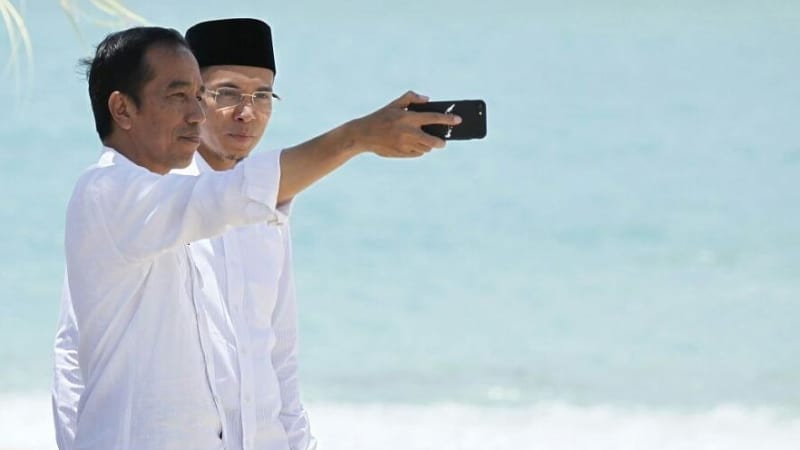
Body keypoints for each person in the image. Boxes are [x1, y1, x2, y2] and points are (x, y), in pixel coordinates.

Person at [53, 22, 459, 450]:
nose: (240, 112)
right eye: (222, 94)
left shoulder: (267, 206)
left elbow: (279, 359)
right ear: (123, 109)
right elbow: (72, 356)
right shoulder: (111, 193)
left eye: (262, 96)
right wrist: (355, 137)